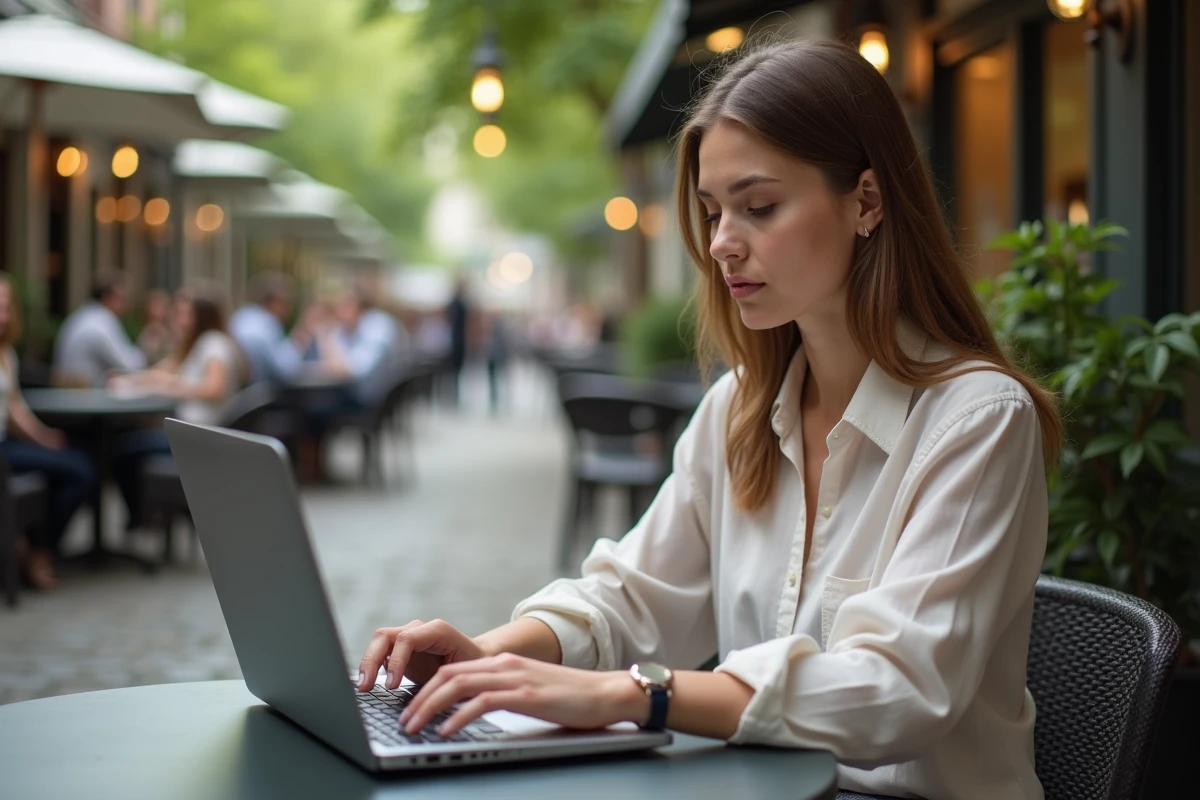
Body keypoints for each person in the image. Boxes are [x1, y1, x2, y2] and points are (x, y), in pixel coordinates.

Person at [354, 40, 1061, 800]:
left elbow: (897, 690)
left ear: (866, 201)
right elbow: (634, 596)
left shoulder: (978, 419)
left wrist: (633, 694)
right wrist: (488, 657)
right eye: (713, 211)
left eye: (759, 207)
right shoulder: (739, 408)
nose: (722, 243)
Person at [110, 286, 243, 527]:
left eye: (184, 313)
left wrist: (171, 387)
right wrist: (129, 380)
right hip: (186, 431)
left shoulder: (214, 343)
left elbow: (214, 388)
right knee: (126, 446)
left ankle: (145, 518)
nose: (177, 318)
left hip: (198, 435)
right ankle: (150, 516)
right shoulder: (195, 345)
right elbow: (162, 373)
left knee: (122, 451)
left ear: (202, 315)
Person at [0, 274, 95, 590]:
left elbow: (14, 407)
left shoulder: (6, 352)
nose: (3, 315)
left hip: (8, 443)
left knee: (77, 463)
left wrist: (43, 437)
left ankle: (35, 550)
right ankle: (37, 554)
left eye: (6, 307)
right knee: (79, 471)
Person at [52, 272, 146, 387]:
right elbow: (131, 365)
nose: (127, 305)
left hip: (68, 392)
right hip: (87, 395)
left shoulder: (82, 315)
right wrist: (146, 345)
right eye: (122, 299)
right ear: (107, 297)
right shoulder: (101, 322)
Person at [228, 272, 304, 386]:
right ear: (274, 302)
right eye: (287, 303)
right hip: (257, 392)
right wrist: (304, 332)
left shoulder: (242, 316)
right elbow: (287, 371)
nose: (290, 309)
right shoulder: (265, 325)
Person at [136, 289, 176, 365]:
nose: (154, 311)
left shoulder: (172, 334)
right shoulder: (145, 333)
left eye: (158, 307)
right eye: (152, 306)